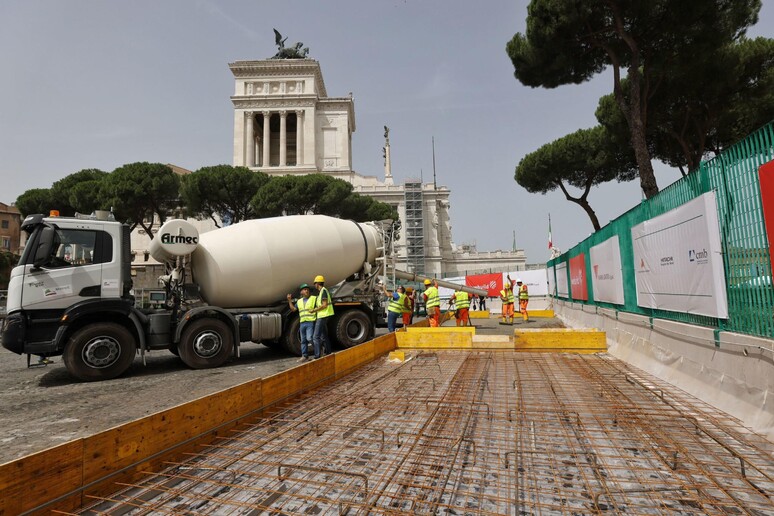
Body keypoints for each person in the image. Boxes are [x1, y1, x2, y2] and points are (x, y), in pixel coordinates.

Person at [286, 284, 318, 361]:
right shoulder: (299, 301)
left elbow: (319, 306)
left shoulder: (313, 298)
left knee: (309, 338)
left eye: (307, 289)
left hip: (310, 321)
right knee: (303, 340)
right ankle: (304, 355)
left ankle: (318, 352)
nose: (306, 290)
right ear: (301, 292)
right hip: (302, 322)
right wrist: (289, 300)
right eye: (304, 289)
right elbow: (293, 309)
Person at [311, 275, 334, 356]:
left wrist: (314, 310)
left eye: (315, 283)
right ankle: (328, 352)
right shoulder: (322, 292)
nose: (314, 285)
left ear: (317, 283)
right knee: (323, 335)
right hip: (323, 315)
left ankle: (317, 356)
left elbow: (324, 305)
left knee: (315, 336)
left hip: (323, 316)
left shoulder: (323, 291)